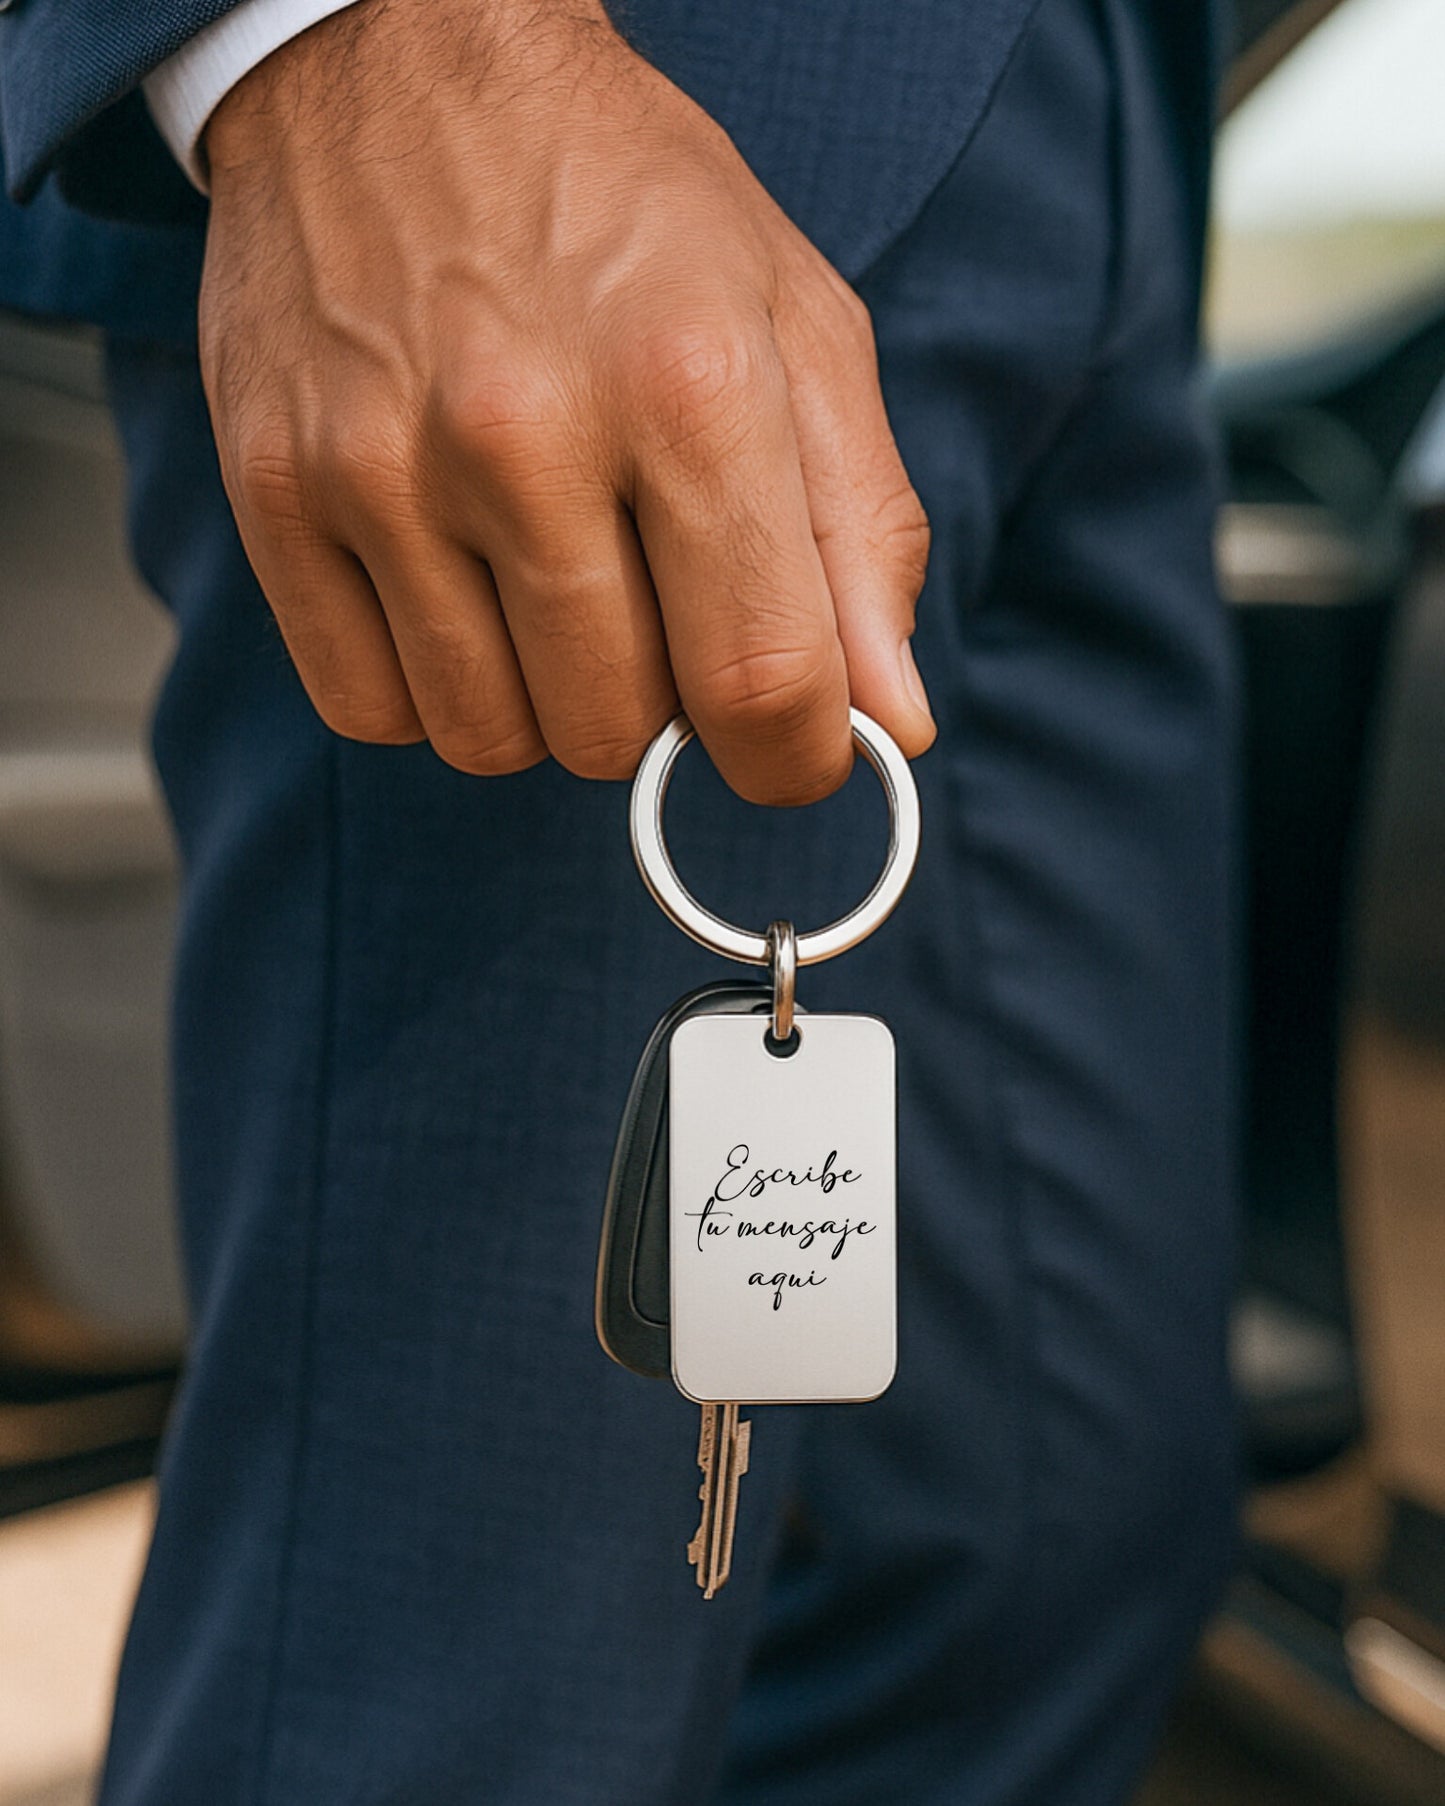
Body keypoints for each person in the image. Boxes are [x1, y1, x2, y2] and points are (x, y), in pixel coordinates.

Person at [0, 0, 1239, 1799]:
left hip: (1082, 119)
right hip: (572, 184)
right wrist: (355, 41)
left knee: (1035, 1558)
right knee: (470, 1682)